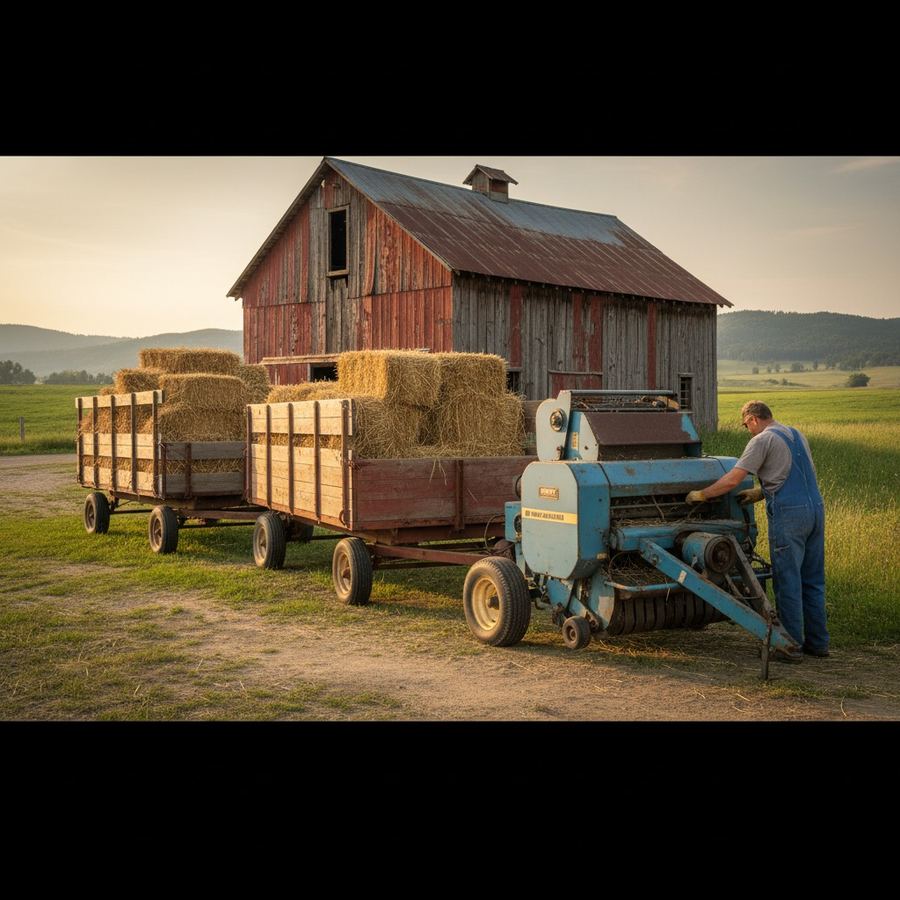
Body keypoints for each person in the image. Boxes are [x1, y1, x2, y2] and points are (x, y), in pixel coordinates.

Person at [685, 400, 829, 663]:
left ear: (752, 419)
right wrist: (761, 492)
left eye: (746, 425)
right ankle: (818, 644)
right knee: (813, 579)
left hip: (790, 514)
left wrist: (701, 495)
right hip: (816, 510)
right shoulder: (796, 434)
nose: (748, 430)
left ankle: (789, 645)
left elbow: (733, 479)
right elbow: (796, 475)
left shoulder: (762, 440)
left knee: (788, 580)